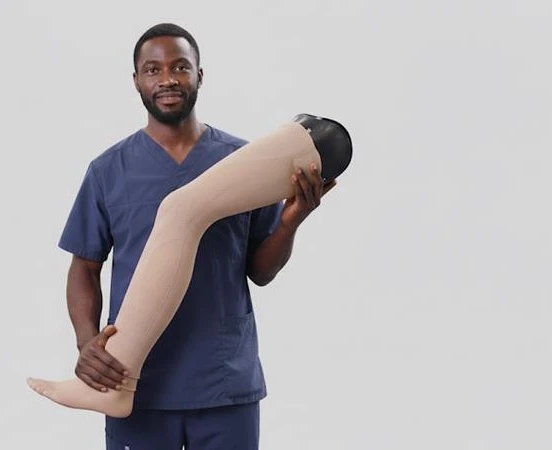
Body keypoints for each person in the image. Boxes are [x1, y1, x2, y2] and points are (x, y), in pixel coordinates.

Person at [38, 23, 336, 449]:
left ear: (200, 75)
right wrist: (88, 346)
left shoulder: (245, 165)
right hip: (135, 384)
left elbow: (261, 272)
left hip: (222, 382)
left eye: (180, 67)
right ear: (136, 80)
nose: (167, 79)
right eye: (153, 70)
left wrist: (291, 222)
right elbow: (84, 268)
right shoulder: (108, 170)